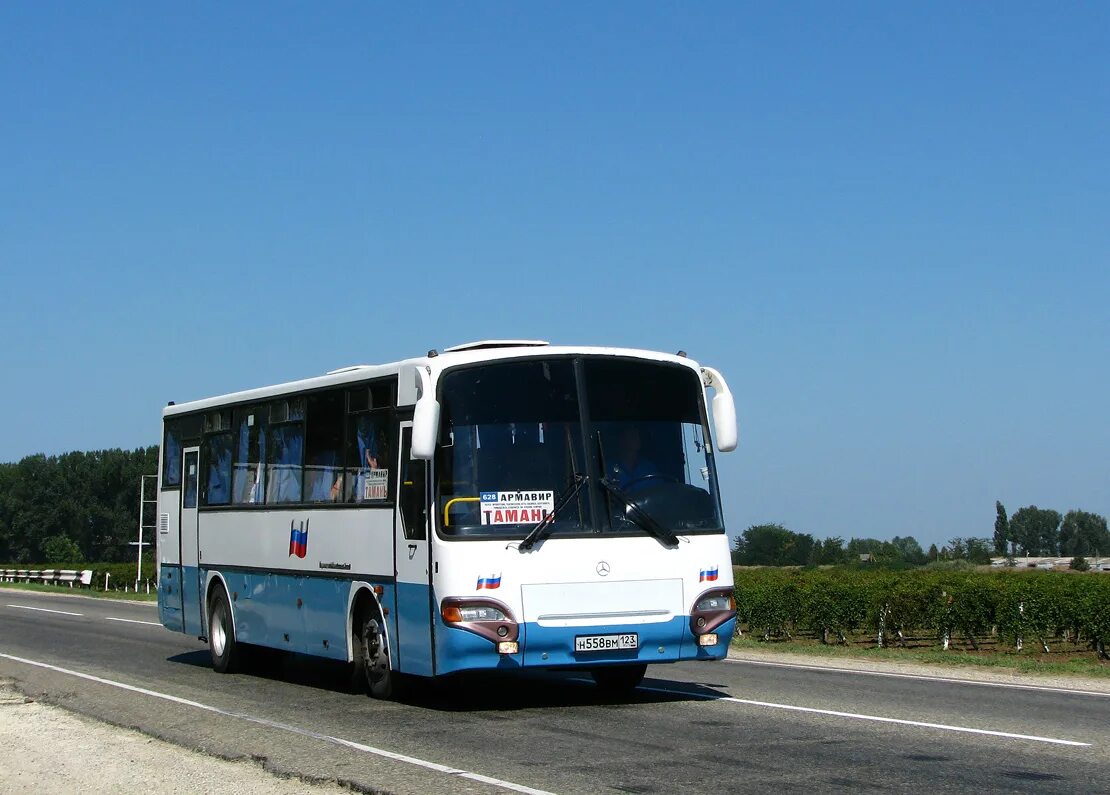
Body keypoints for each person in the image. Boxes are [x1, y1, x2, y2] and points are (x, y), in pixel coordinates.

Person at [607, 425, 657, 491]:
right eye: (632, 435)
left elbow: (659, 493)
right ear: (621, 440)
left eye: (637, 435)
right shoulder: (608, 469)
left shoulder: (649, 468)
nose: (637, 438)